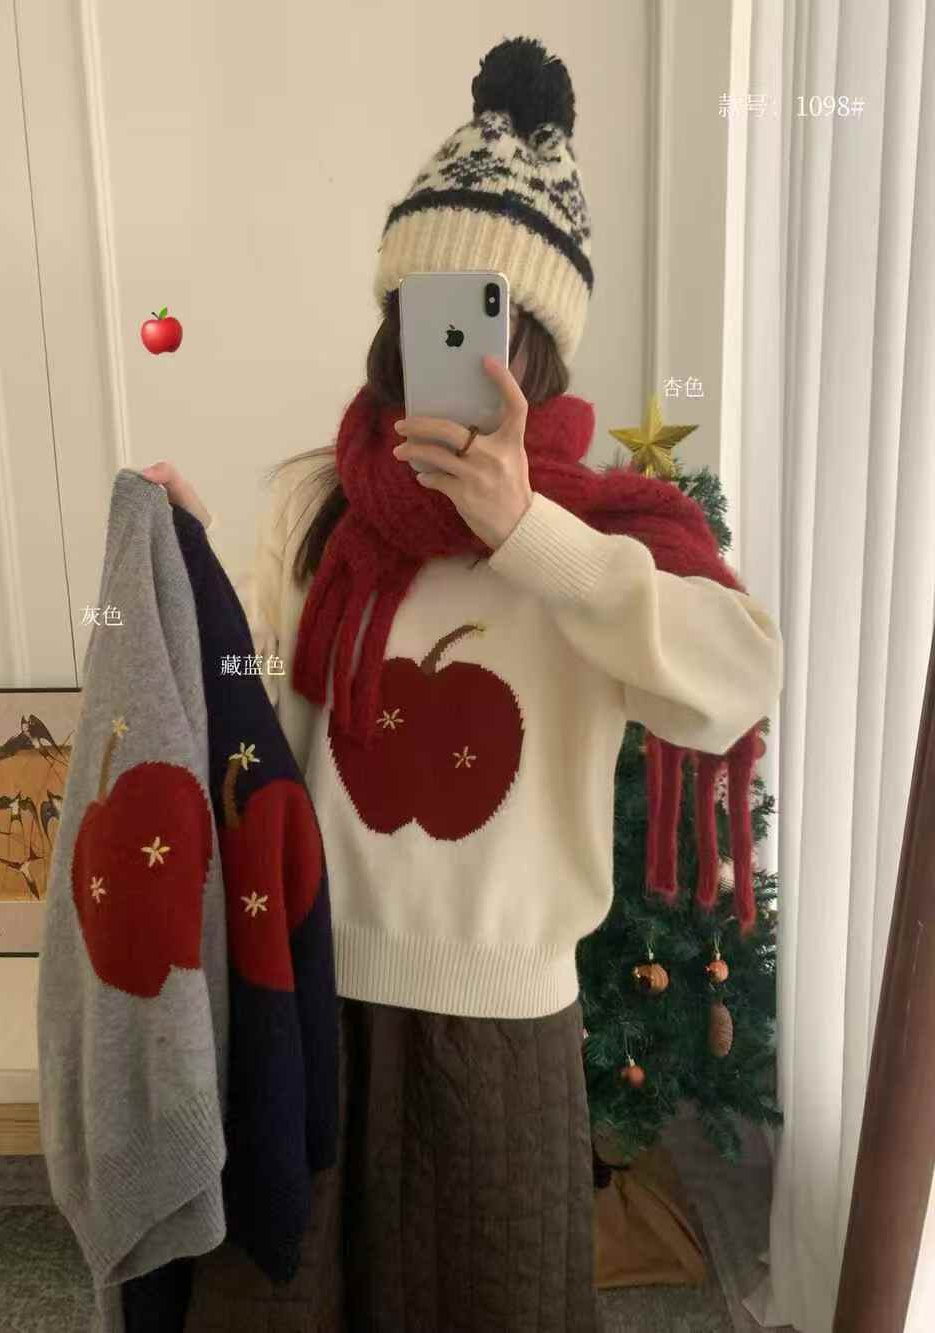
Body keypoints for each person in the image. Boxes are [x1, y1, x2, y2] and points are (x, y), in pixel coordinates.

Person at [141, 35, 783, 1333]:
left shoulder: (596, 533)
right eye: (422, 313)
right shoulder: (320, 503)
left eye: (484, 322)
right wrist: (188, 569)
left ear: (534, 347)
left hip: (500, 1032)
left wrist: (529, 534)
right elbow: (249, 720)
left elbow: (737, 679)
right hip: (310, 993)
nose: (445, 349)